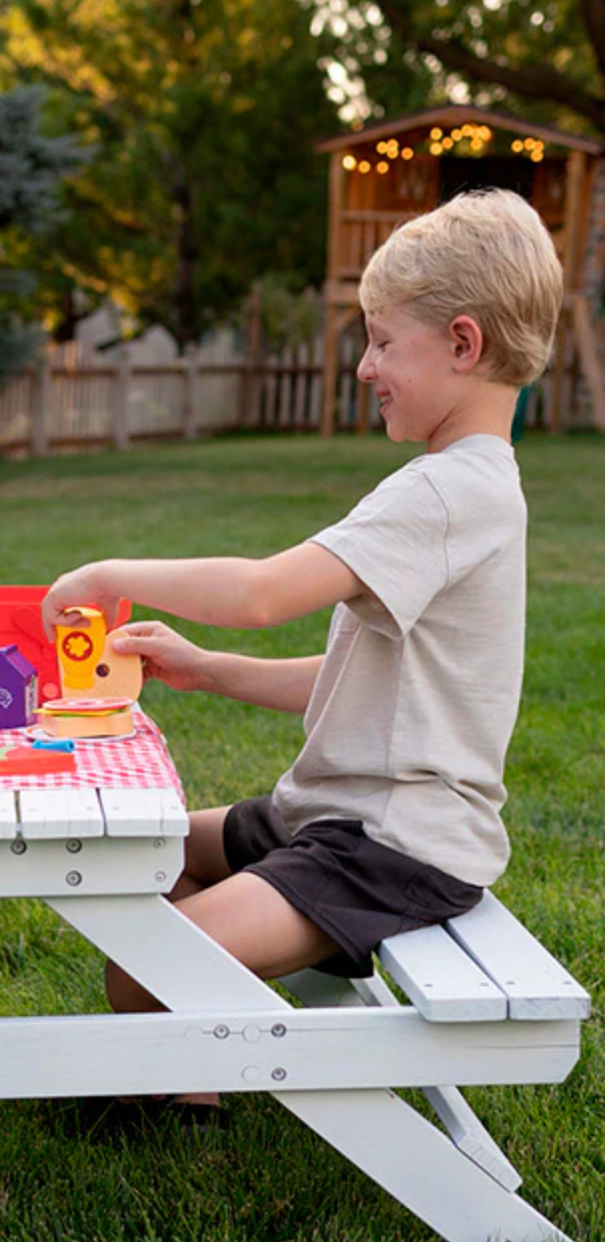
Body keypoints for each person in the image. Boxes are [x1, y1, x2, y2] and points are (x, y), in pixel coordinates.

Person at [43, 189, 563, 1056]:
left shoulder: (444, 490)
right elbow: (367, 686)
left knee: (140, 968)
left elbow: (261, 593)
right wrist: (206, 668)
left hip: (391, 851)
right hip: (333, 817)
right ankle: (187, 1081)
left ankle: (189, 1088)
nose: (365, 366)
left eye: (385, 342)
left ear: (464, 344)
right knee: (136, 856)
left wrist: (106, 574)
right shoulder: (469, 483)